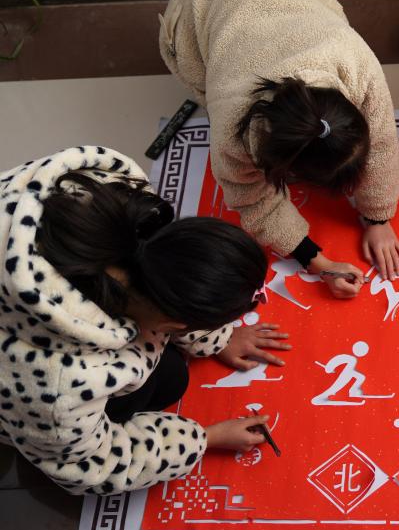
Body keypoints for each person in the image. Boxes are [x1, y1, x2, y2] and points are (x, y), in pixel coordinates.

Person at [0, 147, 289, 495]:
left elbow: (172, 277)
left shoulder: (115, 196)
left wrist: (219, 338)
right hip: (27, 394)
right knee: (169, 380)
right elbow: (90, 465)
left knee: (168, 374)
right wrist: (204, 438)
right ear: (171, 324)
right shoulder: (60, 383)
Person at [159, 0, 399, 296]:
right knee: (204, 68)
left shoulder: (354, 59)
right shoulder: (232, 124)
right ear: (284, 167)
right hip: (195, 4)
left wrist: (378, 218)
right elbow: (252, 200)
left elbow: (381, 143)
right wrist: (318, 262)